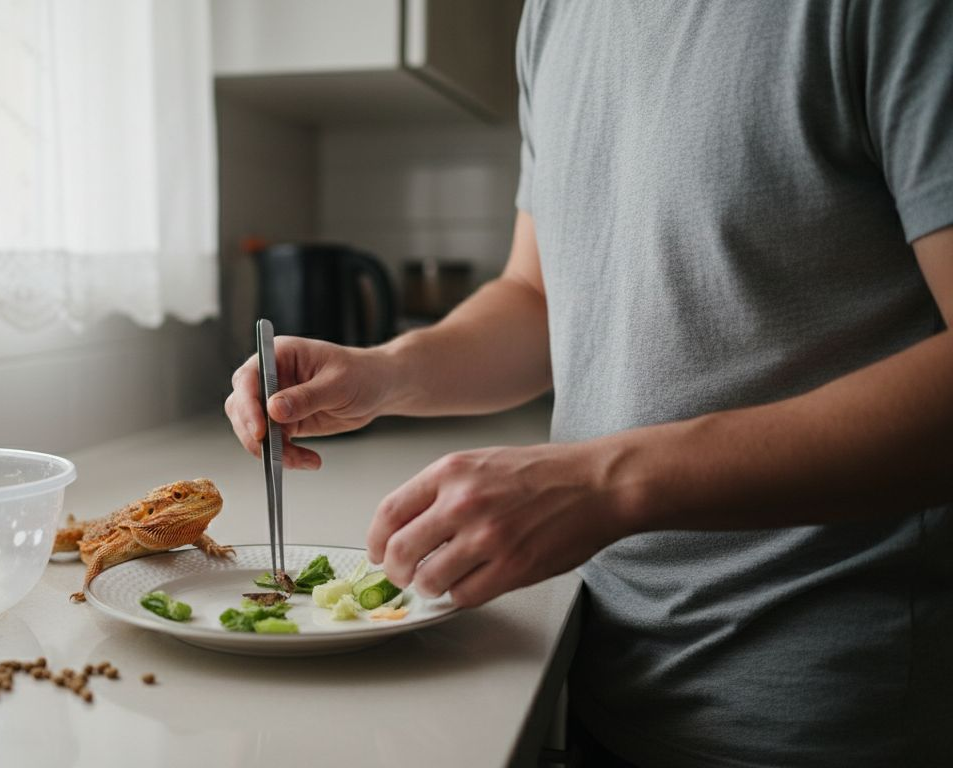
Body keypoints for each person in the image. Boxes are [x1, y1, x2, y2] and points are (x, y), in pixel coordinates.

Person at [223, 2, 952, 765]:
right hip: (606, 670)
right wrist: (387, 372)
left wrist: (606, 484)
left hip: (820, 711)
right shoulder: (556, 15)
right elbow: (540, 298)